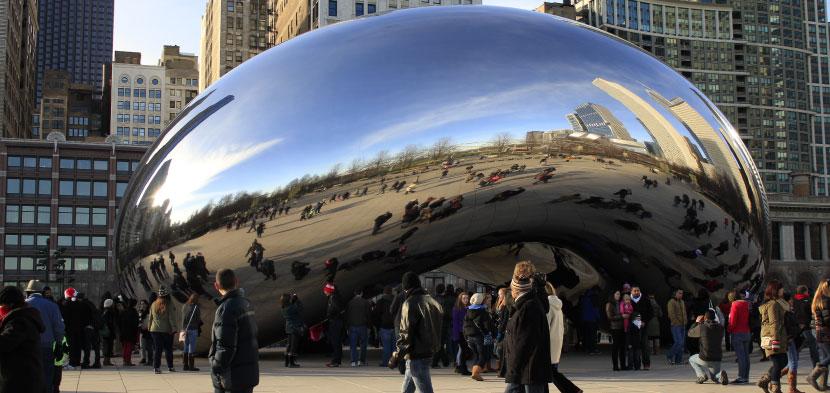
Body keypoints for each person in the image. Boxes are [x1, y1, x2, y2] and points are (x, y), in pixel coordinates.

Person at [391, 272, 443, 393]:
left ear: (406, 287)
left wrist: (397, 354)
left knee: (424, 389)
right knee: (408, 387)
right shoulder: (433, 302)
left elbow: (405, 333)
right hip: (429, 350)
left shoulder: (409, 303)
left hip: (416, 352)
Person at [503, 261, 551, 393]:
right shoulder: (532, 299)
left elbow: (524, 341)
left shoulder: (528, 306)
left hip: (528, 367)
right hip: (529, 367)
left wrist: (514, 369)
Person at [210, 268, 259, 393]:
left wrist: (216, 366)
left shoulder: (226, 308)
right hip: (247, 372)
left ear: (216, 286)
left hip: (232, 376)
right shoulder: (246, 303)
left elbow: (225, 346)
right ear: (236, 281)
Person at [0, 285, 46, 393]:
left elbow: (4, 343)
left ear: (10, 304)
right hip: (23, 378)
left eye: (2, 306)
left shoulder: (20, 321)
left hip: (21, 381)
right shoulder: (22, 317)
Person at [24, 280, 64, 393]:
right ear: (41, 292)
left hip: (27, 346)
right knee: (47, 375)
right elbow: (59, 327)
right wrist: (59, 344)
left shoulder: (24, 305)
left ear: (28, 292)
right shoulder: (52, 306)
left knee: (29, 376)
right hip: (47, 345)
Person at [758, 280, 788, 393]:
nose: (783, 290)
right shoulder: (773, 305)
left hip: (773, 335)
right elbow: (774, 323)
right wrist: (775, 341)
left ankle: (765, 381)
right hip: (773, 337)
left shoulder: (775, 303)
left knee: (782, 361)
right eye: (781, 288)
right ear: (776, 290)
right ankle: (775, 387)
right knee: (778, 362)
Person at [687, 310, 728, 385]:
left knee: (691, 359)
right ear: (715, 317)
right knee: (714, 378)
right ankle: (720, 374)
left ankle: (701, 376)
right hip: (717, 357)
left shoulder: (702, 327)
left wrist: (696, 322)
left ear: (705, 318)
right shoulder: (721, 328)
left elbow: (690, 333)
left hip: (705, 357)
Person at [149, 286, 178, 374]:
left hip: (154, 330)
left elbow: (150, 317)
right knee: (168, 349)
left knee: (158, 349)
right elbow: (171, 318)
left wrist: (149, 327)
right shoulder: (169, 304)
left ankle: (156, 368)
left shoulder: (153, 304)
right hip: (166, 330)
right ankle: (170, 367)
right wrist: (174, 328)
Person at [463, 293, 492, 381]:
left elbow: (464, 325)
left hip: (470, 337)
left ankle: (474, 373)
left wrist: (466, 337)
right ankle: (476, 373)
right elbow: (487, 325)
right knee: (483, 355)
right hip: (480, 336)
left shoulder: (468, 311)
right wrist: (489, 334)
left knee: (476, 355)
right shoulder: (483, 311)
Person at [808, 277, 830, 391]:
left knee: (826, 356)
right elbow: (827, 319)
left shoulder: (818, 299)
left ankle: (823, 383)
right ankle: (812, 376)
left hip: (818, 330)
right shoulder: (826, 300)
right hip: (823, 331)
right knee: (828, 356)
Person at [728, 289, 751, 384]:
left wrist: (729, 329)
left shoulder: (735, 305)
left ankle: (741, 377)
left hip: (737, 333)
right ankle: (746, 377)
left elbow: (733, 320)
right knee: (746, 356)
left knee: (740, 356)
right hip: (747, 332)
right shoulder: (746, 304)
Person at [793, 285, 819, 367]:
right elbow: (812, 312)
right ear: (805, 292)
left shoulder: (794, 300)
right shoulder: (808, 301)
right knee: (813, 346)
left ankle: (793, 367)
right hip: (806, 326)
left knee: (797, 346)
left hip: (797, 326)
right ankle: (816, 365)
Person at [630, 286, 654, 370]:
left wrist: (644, 321)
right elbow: (628, 313)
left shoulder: (645, 300)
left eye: (638, 290)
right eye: (635, 291)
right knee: (635, 346)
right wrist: (636, 322)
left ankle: (646, 364)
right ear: (631, 292)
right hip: (633, 327)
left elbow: (651, 313)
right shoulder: (628, 300)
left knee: (645, 345)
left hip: (644, 326)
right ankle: (636, 364)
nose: (636, 292)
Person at [347, 288, 371, 367]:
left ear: (354, 293)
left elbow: (347, 315)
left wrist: (347, 326)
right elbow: (368, 315)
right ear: (361, 293)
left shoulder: (350, 303)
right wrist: (369, 326)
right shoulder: (366, 302)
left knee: (353, 345)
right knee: (363, 344)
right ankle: (361, 361)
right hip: (363, 326)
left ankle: (353, 361)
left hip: (352, 326)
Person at [324, 283, 345, 368]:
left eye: (325, 290)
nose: (324, 291)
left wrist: (329, 315)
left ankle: (335, 361)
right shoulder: (334, 297)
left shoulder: (334, 298)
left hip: (335, 322)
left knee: (335, 342)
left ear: (329, 291)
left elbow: (335, 309)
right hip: (337, 321)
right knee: (337, 342)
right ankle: (337, 360)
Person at [374, 286, 396, 367]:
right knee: (394, 347)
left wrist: (378, 326)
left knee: (386, 346)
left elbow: (376, 315)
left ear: (384, 292)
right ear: (391, 292)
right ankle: (394, 362)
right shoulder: (395, 300)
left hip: (384, 326)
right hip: (395, 326)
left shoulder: (381, 302)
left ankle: (386, 362)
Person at [281, 293, 303, 368]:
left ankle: (286, 362)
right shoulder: (291, 307)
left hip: (288, 327)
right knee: (294, 345)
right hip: (294, 327)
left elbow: (293, 309)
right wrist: (297, 300)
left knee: (289, 344)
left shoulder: (283, 307)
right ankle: (291, 363)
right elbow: (300, 308)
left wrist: (293, 301)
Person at [181, 294, 202, 371]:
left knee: (185, 347)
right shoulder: (196, 308)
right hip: (193, 329)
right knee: (191, 347)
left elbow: (183, 318)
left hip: (184, 329)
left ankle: (185, 365)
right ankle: (191, 366)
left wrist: (183, 328)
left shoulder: (184, 306)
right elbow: (198, 319)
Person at [606, 291, 626, 371]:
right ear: (613, 295)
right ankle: (615, 366)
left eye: (619, 294)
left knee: (622, 347)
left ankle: (623, 365)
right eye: (617, 294)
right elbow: (610, 317)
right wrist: (621, 316)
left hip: (622, 327)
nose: (619, 295)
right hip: (615, 328)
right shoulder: (609, 304)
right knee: (616, 347)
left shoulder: (621, 303)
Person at [452, 291, 471, 375]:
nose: (466, 300)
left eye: (467, 298)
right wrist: (455, 335)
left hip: (466, 332)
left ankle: (459, 366)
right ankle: (463, 369)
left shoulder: (468, 308)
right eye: (464, 298)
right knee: (463, 350)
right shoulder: (457, 309)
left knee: (462, 350)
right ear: (460, 299)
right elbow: (455, 323)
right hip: (460, 332)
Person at [667, 289, 687, 365]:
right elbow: (671, 314)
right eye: (679, 293)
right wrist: (676, 322)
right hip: (676, 325)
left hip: (683, 324)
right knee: (679, 342)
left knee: (682, 343)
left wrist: (685, 321)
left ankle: (678, 360)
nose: (681, 295)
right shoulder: (671, 302)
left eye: (682, 293)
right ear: (675, 293)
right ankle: (669, 355)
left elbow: (684, 312)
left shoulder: (682, 302)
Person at [578, 288, 600, 355]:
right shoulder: (594, 298)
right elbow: (595, 309)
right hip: (592, 319)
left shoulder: (583, 299)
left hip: (584, 319)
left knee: (586, 335)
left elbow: (581, 308)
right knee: (593, 335)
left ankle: (586, 348)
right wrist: (598, 318)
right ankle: (592, 349)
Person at [119, 299, 139, 367]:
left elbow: (119, 322)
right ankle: (128, 361)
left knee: (125, 347)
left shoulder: (123, 311)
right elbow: (136, 323)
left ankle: (125, 360)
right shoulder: (134, 312)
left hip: (123, 332)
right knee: (129, 347)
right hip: (131, 332)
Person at [101, 299, 117, 367]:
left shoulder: (105, 312)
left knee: (107, 346)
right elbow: (110, 323)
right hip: (108, 332)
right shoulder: (109, 312)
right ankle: (106, 361)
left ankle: (107, 360)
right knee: (108, 346)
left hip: (107, 332)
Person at [137, 299, 154, 366]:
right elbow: (139, 321)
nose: (142, 305)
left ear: (147, 305)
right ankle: (143, 358)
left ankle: (150, 360)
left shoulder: (149, 312)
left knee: (149, 346)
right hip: (142, 331)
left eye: (144, 304)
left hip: (148, 330)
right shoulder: (140, 312)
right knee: (142, 346)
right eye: (141, 304)